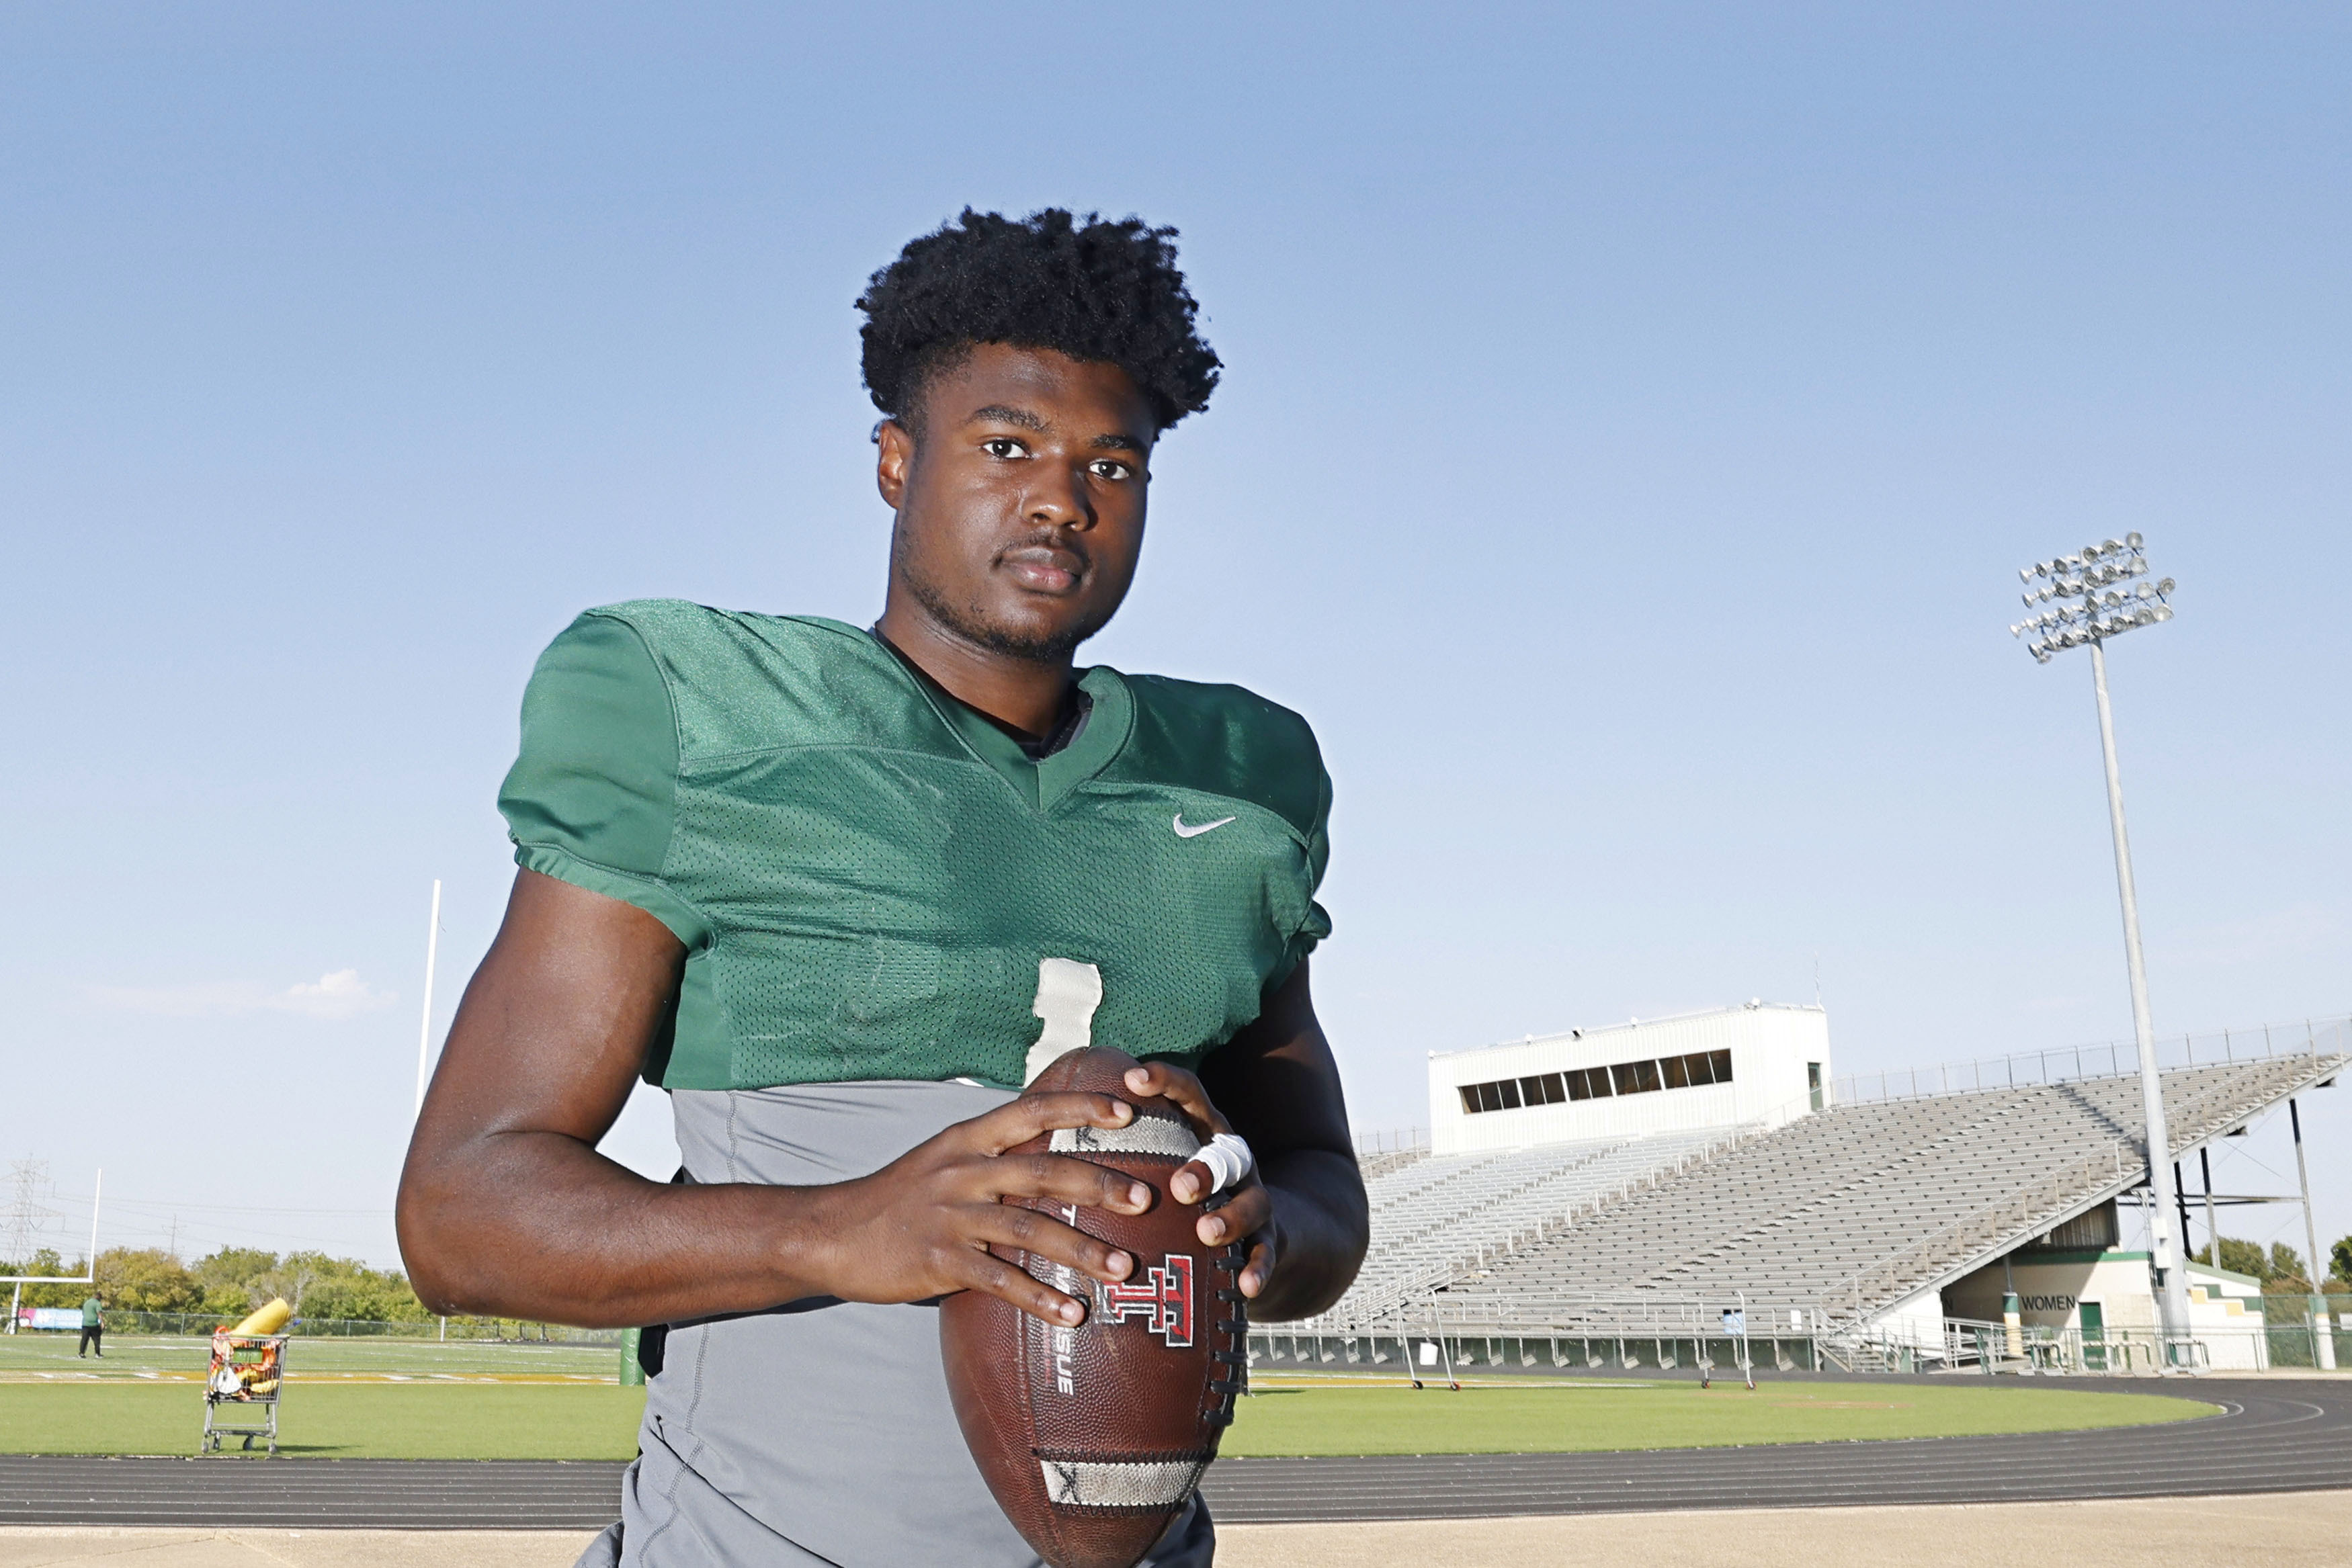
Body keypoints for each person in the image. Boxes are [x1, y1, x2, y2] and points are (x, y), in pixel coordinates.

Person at [396, 208, 1369, 1568]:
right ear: (894, 462)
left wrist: (1251, 1219)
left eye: (1114, 464)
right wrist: (841, 1228)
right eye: (1007, 444)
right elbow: (460, 1214)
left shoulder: (1245, 776)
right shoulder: (694, 711)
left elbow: (1325, 1187)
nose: (1061, 498)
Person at [77, 1292, 102, 1357]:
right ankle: (97, 1354)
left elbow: (83, 1312)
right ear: (99, 1297)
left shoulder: (87, 1302)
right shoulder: (97, 1303)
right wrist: (102, 1322)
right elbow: (99, 1313)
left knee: (84, 1340)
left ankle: (81, 1353)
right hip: (94, 1324)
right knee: (97, 1340)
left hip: (85, 1324)